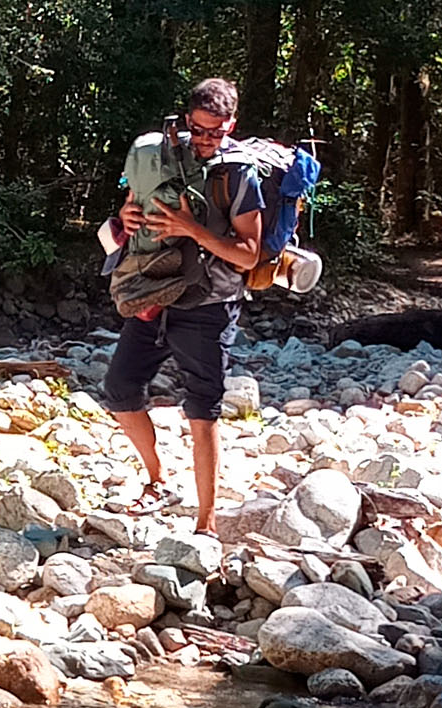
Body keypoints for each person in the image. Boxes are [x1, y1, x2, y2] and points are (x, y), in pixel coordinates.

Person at [101, 77, 266, 536]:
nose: (208, 140)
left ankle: (206, 522)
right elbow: (132, 207)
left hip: (210, 304)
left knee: (202, 406)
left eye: (218, 131)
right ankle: (157, 477)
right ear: (187, 120)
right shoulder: (161, 157)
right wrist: (127, 218)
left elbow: (248, 253)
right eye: (200, 129)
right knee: (120, 389)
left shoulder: (239, 173)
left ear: (232, 125)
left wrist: (194, 231)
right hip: (155, 292)